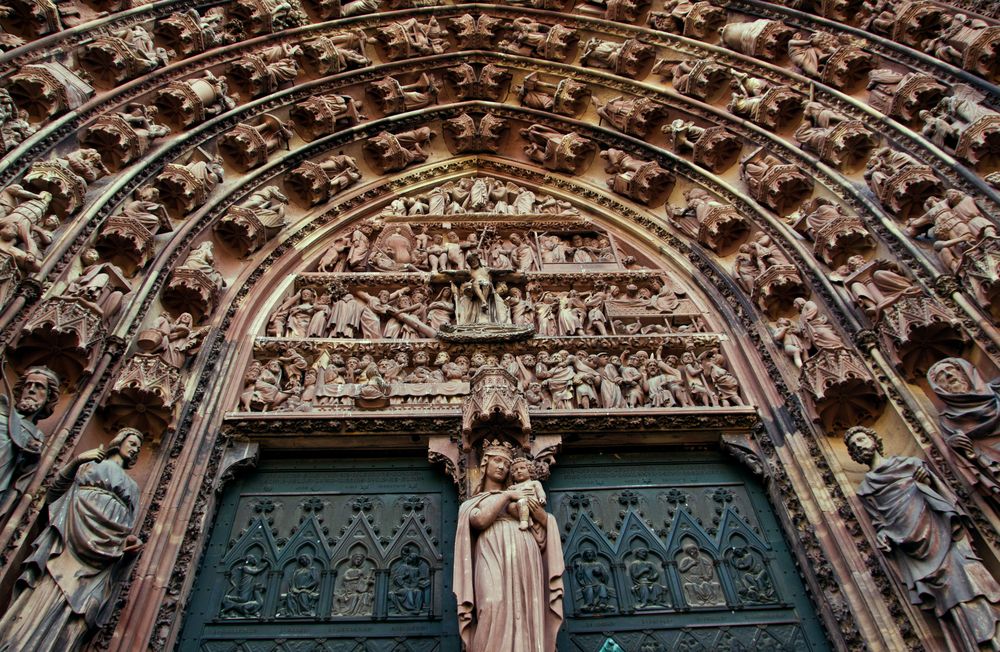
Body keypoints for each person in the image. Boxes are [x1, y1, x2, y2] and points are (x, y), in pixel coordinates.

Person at [846, 426, 1000, 650]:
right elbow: (881, 522)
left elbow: (945, 497)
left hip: (943, 535)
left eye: (860, 439)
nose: (858, 445)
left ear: (874, 440)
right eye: (853, 446)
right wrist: (883, 535)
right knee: (949, 598)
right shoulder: (866, 490)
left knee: (972, 581)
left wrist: (927, 483)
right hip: (914, 551)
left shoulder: (911, 465)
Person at [0, 428, 144, 651]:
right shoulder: (89, 465)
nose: (135, 449)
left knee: (83, 611)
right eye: (132, 443)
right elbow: (53, 496)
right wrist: (77, 460)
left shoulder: (133, 489)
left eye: (138, 447)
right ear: (119, 441)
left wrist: (129, 544)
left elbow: (127, 527)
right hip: (67, 545)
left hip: (101, 561)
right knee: (44, 594)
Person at [454, 440, 564, 651]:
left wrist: (540, 513)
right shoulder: (475, 502)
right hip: (491, 551)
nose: (503, 467)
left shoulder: (522, 492)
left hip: (524, 550)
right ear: (485, 463)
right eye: (497, 461)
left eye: (506, 463)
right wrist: (506, 495)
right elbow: (480, 521)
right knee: (492, 603)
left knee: (526, 606)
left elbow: (542, 522)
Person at [507, 456, 546, 531]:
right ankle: (528, 520)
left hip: (532, 502)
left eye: (522, 468)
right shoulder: (513, 487)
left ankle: (524, 521)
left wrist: (542, 498)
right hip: (518, 506)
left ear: (530, 470)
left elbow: (540, 491)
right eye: (515, 470)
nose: (518, 471)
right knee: (510, 506)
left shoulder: (534, 483)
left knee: (522, 502)